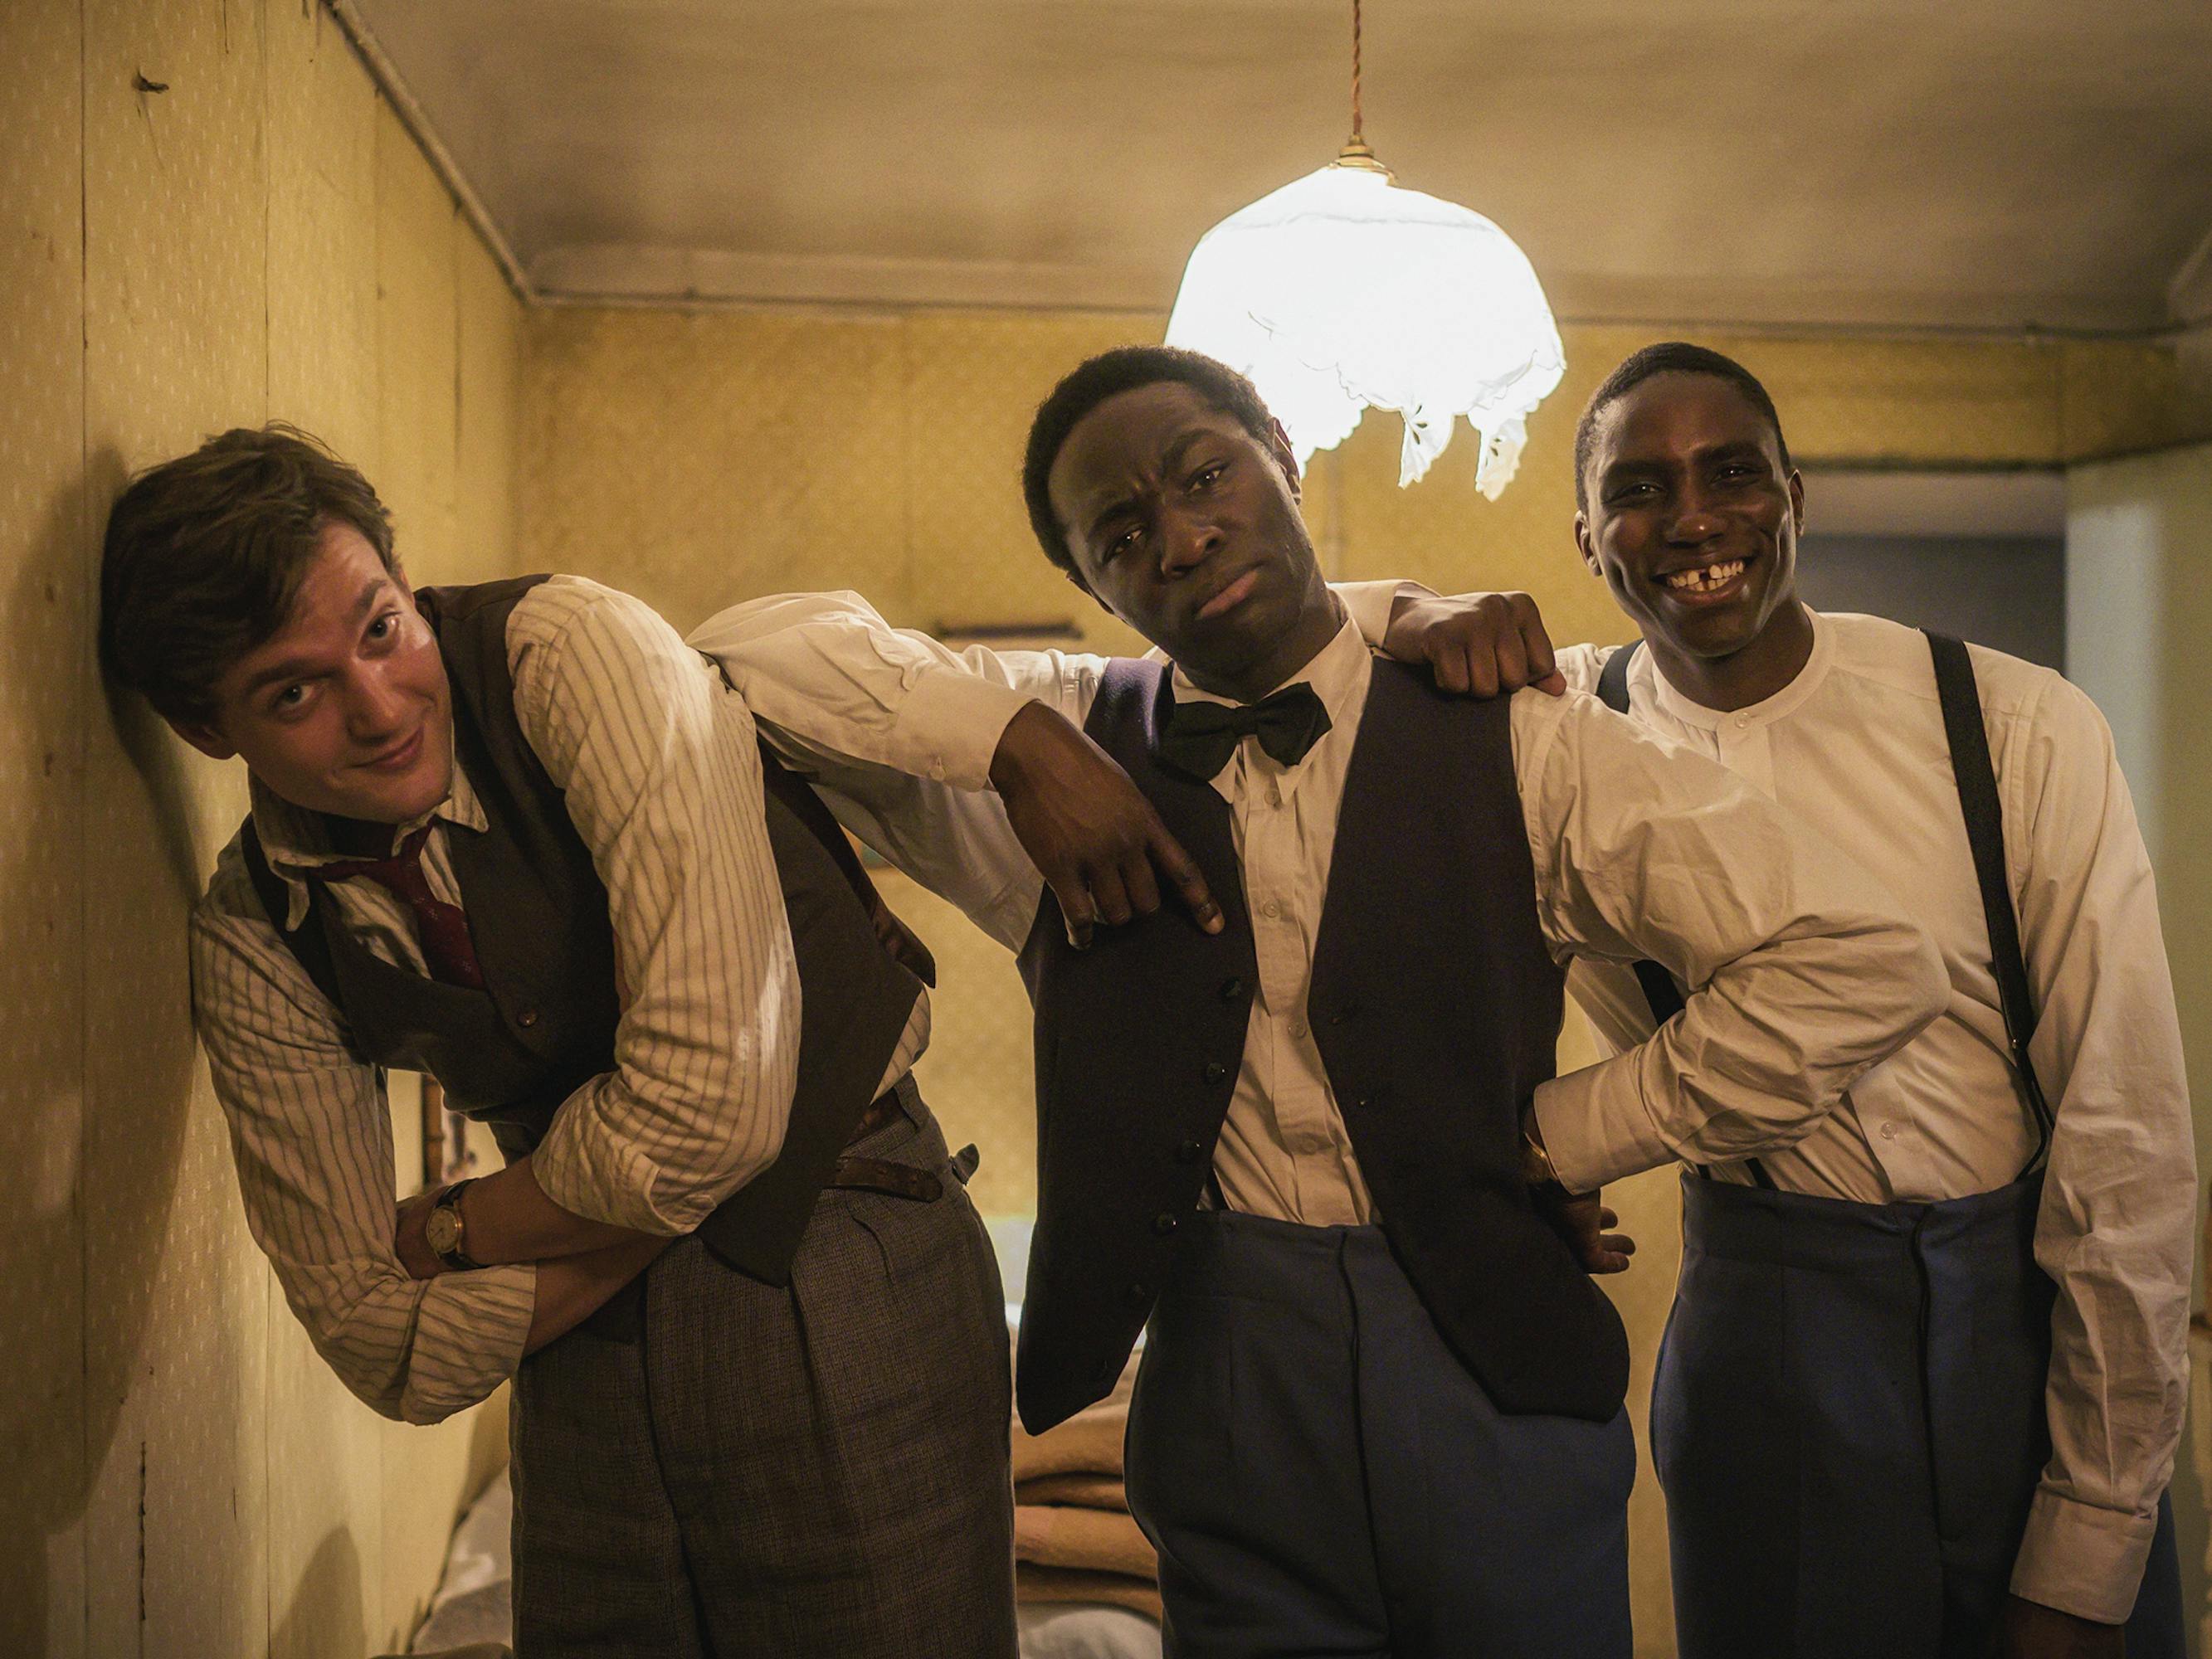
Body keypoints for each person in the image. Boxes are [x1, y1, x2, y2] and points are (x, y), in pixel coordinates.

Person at [691, 345, 1954, 1658]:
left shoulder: (1525, 731)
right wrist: (1010, 746)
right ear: (1086, 581)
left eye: (1204, 475)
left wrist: (1565, 1134)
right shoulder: (1044, 754)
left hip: (1491, 1375)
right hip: (1224, 1386)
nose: (1179, 535)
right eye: (1121, 532)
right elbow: (734, 658)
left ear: (1281, 457)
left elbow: (1862, 958)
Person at [97, 426, 1019, 1659]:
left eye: (381, 628)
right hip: (571, 1344)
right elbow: (383, 1352)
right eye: (293, 691)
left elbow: (711, 1112)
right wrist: (647, 1207)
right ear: (210, 732)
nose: (378, 709)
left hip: (837, 1242)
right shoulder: (255, 934)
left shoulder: (571, 650)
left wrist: (450, 1228)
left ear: (402, 575)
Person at [1480, 339, 2188, 1659]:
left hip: (2031, 1317)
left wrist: (2091, 1531)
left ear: (1792, 493)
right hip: (1763, 1329)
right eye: (1639, 489)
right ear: (1586, 538)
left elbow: (2127, 1139)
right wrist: (1414, 611)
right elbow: (1323, 667)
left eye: (1732, 473)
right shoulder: (1548, 738)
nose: (1693, 520)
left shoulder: (2012, 723)